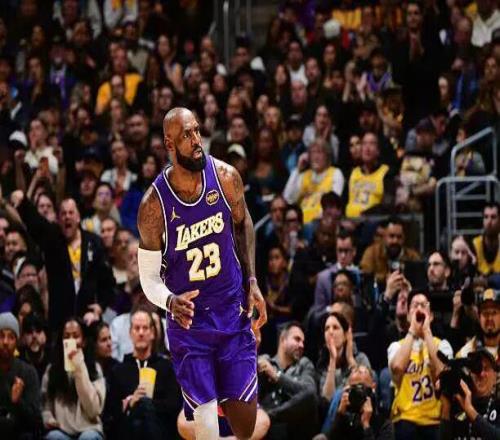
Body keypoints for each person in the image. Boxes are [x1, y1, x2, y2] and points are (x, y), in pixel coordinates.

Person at [137, 107, 267, 440]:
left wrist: (252, 281)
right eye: (187, 135)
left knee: (244, 426)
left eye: (197, 131)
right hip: (190, 322)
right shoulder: (153, 205)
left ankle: (222, 386)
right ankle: (208, 393)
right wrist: (169, 301)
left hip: (231, 308)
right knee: (207, 427)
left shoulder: (225, 177)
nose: (197, 140)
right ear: (169, 143)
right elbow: (148, 278)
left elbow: (243, 223)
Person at [107, 308, 182, 439]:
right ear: (130, 333)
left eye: (145, 328)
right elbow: (111, 412)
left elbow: (174, 406)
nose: (141, 333)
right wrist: (131, 403)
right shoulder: (118, 371)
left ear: (152, 333)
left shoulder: (167, 367)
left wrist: (146, 404)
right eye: (137, 328)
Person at [388, 290, 453, 440]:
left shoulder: (442, 345)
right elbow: (397, 368)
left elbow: (442, 373)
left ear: (431, 315)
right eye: (415, 305)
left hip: (435, 420)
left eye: (423, 305)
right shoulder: (396, 346)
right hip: (405, 419)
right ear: (408, 315)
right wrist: (412, 331)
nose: (419, 309)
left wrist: (427, 331)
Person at [41, 317, 106, 440]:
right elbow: (45, 405)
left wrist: (80, 368)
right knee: (54, 437)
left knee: (88, 438)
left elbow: (93, 410)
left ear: (84, 341)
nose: (71, 341)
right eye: (66, 336)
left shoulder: (95, 368)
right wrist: (48, 418)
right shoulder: (52, 370)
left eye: (75, 336)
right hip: (61, 429)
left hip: (89, 428)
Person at [257, 321, 318, 440]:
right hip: (266, 433)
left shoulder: (304, 364)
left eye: (303, 342)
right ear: (283, 340)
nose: (302, 345)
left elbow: (310, 393)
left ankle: (269, 416)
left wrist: (277, 376)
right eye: (297, 339)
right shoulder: (266, 361)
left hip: (293, 429)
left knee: (310, 394)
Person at [318, 365, 393, 440]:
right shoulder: (344, 420)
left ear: (373, 386)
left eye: (361, 387)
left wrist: (366, 426)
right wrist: (340, 415)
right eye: (353, 388)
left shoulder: (384, 425)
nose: (357, 393)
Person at [439, 348, 500, 439]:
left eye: (486, 368)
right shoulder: (457, 405)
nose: (481, 374)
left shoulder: (497, 406)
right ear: (470, 373)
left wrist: (470, 411)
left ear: (495, 377)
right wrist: (446, 406)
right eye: (476, 368)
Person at [0, 312, 41, 438]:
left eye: (11, 337)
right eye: (1, 336)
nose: (5, 342)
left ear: (17, 342)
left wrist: (18, 402)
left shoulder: (28, 372)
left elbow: (36, 423)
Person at [317, 312, 371, 402]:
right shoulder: (322, 364)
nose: (330, 332)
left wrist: (350, 359)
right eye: (327, 328)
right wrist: (332, 360)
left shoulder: (360, 359)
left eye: (335, 327)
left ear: (346, 335)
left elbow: (364, 390)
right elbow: (326, 401)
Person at [456, 288, 499, 363]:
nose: (490, 318)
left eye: (494, 313)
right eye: (485, 313)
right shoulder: (465, 354)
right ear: (479, 317)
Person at [473, 202, 500, 287]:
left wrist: (486, 281)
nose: (489, 221)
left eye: (493, 217)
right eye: (486, 217)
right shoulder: (474, 244)